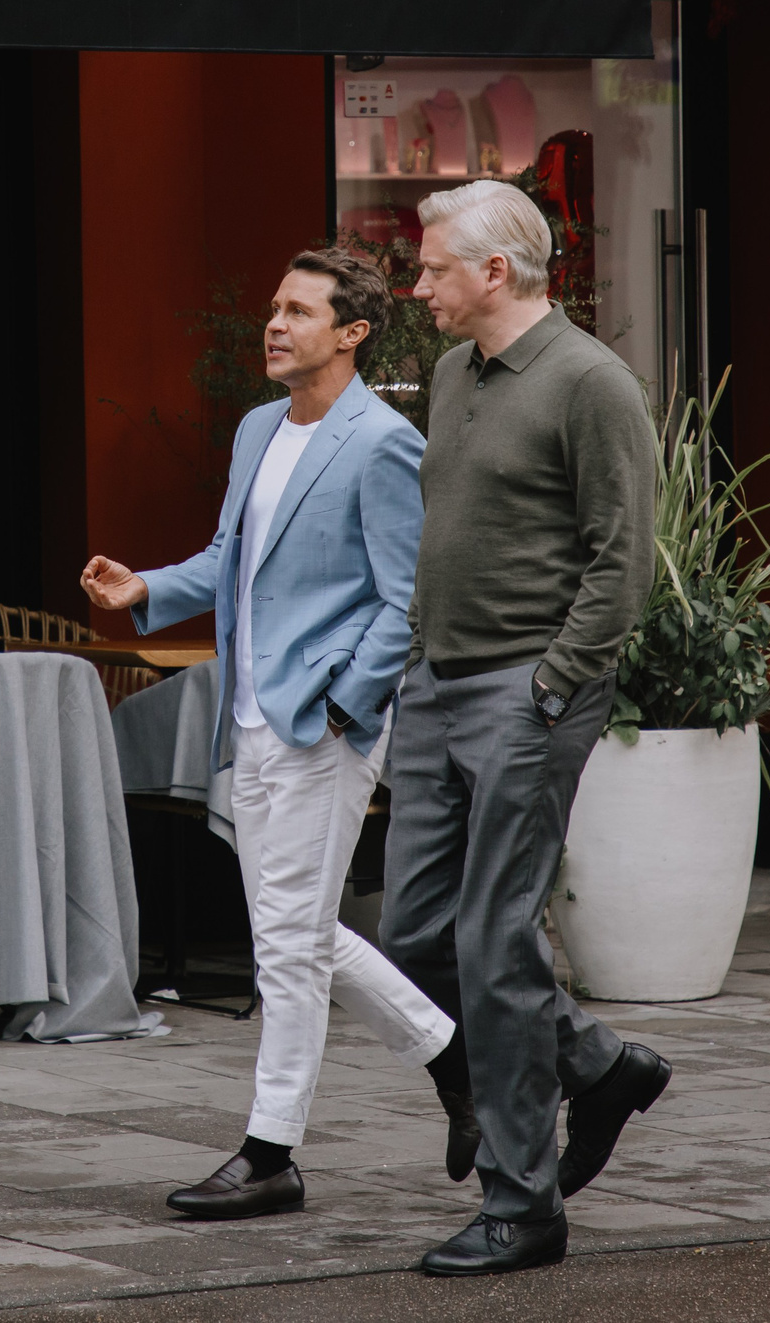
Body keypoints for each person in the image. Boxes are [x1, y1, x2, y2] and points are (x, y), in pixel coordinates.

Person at [81, 248, 457, 1220]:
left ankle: (269, 1153)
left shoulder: (379, 442)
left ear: (352, 332)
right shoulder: (257, 429)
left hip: (318, 725)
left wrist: (344, 704)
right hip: (245, 719)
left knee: (285, 947)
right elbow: (229, 562)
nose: (274, 324)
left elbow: (403, 596)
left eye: (297, 311)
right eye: (272, 307)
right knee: (295, 931)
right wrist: (147, 591)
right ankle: (458, 1066)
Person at [380, 180, 669, 1277]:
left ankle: (522, 1203)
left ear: (494, 272)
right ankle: (596, 1066)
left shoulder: (589, 383)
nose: (420, 288)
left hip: (526, 694)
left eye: (433, 269)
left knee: (493, 943)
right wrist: (417, 655)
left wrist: (553, 686)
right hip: (438, 683)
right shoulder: (457, 374)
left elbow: (621, 562)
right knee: (413, 936)